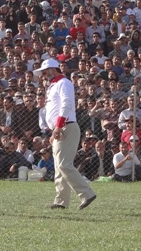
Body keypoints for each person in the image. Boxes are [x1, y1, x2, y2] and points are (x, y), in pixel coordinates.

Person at [36, 58, 96, 209]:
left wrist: (58, 126)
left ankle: (86, 193)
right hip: (61, 127)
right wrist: (54, 130)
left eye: (44, 71)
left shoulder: (64, 83)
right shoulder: (55, 85)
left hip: (66, 126)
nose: (43, 75)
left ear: (52, 69)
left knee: (63, 164)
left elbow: (67, 103)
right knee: (59, 166)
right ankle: (61, 201)